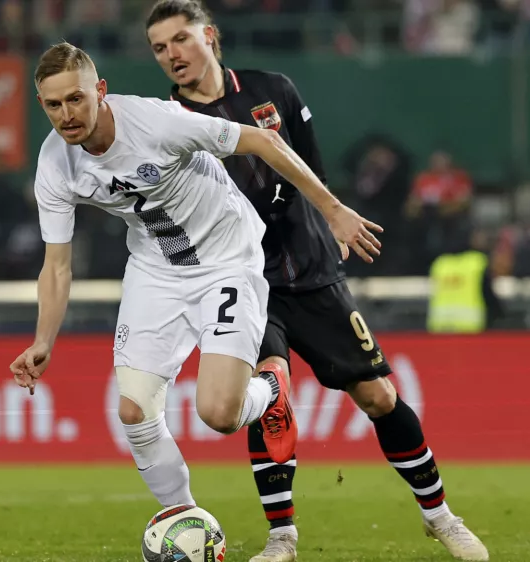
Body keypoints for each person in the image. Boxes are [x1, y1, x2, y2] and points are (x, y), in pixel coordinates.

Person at [144, 2, 489, 561]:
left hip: (309, 270)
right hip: (241, 280)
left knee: (378, 396)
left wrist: (335, 213)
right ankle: (283, 538)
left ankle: (441, 517)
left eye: (180, 39)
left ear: (209, 35)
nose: (172, 55)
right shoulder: (167, 123)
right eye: (160, 49)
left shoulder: (272, 89)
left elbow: (311, 171)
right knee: (270, 394)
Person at [9, 42, 383, 518]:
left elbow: (264, 141)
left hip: (227, 259)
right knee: (134, 413)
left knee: (219, 414)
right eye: (53, 105)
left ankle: (271, 390)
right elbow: (56, 264)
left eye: (76, 99)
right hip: (156, 270)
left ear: (100, 91)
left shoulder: (158, 122)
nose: (66, 115)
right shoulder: (54, 164)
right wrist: (44, 339)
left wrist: (332, 209)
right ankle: (186, 523)